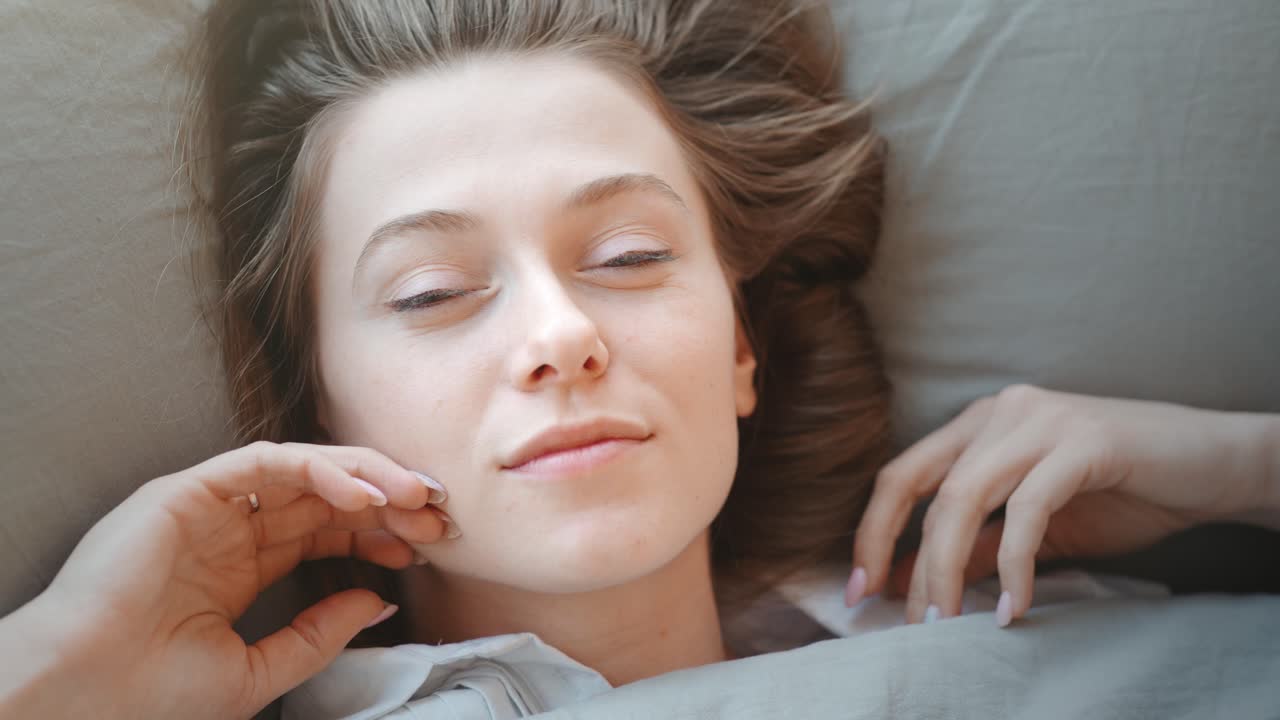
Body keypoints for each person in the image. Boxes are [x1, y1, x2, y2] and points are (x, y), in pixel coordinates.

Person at [1, 0, 1277, 718]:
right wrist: (61, 680)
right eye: (436, 290)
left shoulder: (1023, 628)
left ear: (738, 347)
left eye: (625, 257)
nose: (562, 337)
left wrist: (1239, 475)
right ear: (315, 399)